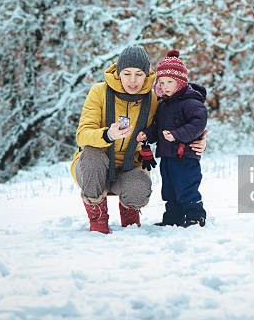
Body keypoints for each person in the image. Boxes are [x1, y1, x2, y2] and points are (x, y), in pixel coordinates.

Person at [71, 46, 207, 234]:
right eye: (127, 74)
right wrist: (108, 135)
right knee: (92, 153)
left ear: (147, 75)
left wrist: (200, 138)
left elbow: (180, 115)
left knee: (142, 184)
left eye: (139, 74)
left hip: (128, 167)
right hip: (94, 168)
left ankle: (130, 220)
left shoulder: (153, 98)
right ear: (119, 73)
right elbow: (82, 134)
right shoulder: (99, 92)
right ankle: (98, 221)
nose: (132, 80)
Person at [137, 50, 208, 227]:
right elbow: (158, 126)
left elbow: (198, 123)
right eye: (162, 82)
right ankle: (173, 216)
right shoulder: (164, 104)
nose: (166, 86)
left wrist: (177, 135)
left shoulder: (191, 102)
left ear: (181, 82)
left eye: (170, 82)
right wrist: (148, 133)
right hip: (167, 156)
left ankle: (195, 215)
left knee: (186, 185)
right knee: (169, 188)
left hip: (185, 155)